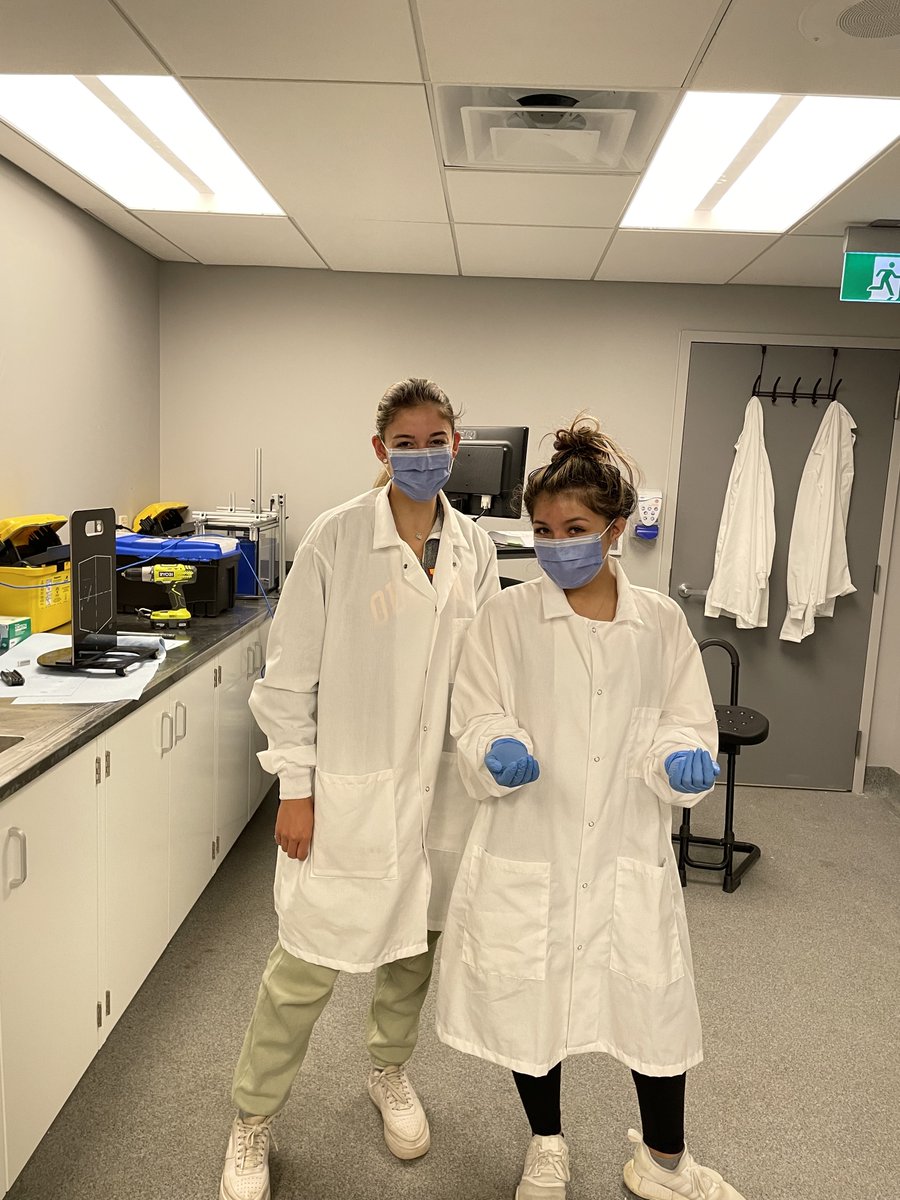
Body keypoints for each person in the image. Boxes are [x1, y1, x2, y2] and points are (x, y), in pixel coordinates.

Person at [436, 416, 746, 1200]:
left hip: (625, 848)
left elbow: (683, 719)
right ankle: (546, 1142)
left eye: (574, 528)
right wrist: (494, 745)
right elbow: (474, 717)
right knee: (529, 997)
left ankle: (664, 1163)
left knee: (654, 999)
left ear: (614, 529)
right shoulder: (506, 620)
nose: (554, 544)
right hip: (530, 837)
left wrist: (679, 758)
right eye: (542, 529)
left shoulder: (661, 625)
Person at [220, 378, 499, 1200]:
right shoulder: (338, 540)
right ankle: (252, 1119)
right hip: (348, 790)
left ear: (458, 443)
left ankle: (388, 1071)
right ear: (380, 451)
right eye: (405, 443)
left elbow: (482, 677)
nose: (423, 455)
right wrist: (296, 789)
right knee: (303, 963)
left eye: (436, 438)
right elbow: (287, 680)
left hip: (438, 793)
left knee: (413, 947)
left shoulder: (477, 548)